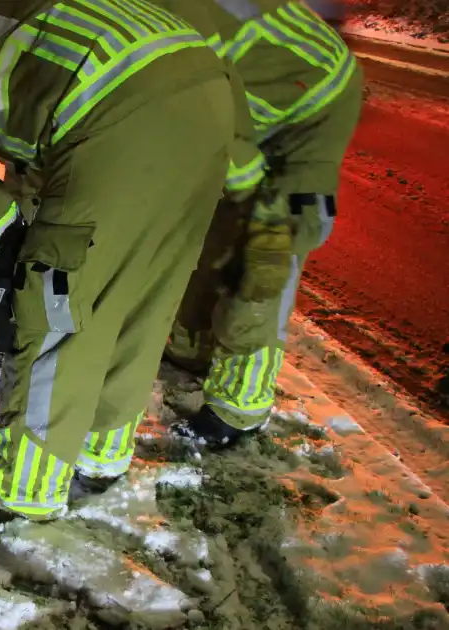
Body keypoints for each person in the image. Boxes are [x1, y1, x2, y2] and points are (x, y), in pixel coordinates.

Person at [0, 0, 238, 522]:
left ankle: (25, 489)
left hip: (118, 109)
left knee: (56, 307)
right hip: (205, 91)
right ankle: (100, 455)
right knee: (142, 291)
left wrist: (4, 234)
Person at [165, 0, 363, 448]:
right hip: (251, 95)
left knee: (265, 254)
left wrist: (240, 179)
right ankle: (192, 349)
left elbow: (204, 112)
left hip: (311, 102)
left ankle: (239, 409)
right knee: (213, 225)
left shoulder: (174, 19)